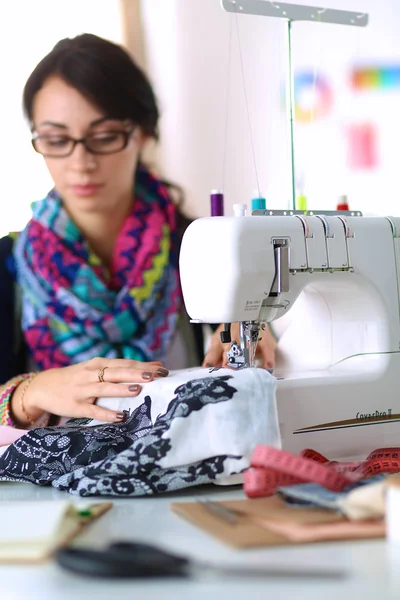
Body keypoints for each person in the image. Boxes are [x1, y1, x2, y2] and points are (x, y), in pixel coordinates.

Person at [0, 33, 276, 430]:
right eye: (57, 140)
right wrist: (31, 393)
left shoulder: (202, 255)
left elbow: (270, 351)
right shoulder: (7, 269)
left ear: (144, 133)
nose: (81, 161)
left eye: (104, 136)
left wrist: (259, 328)